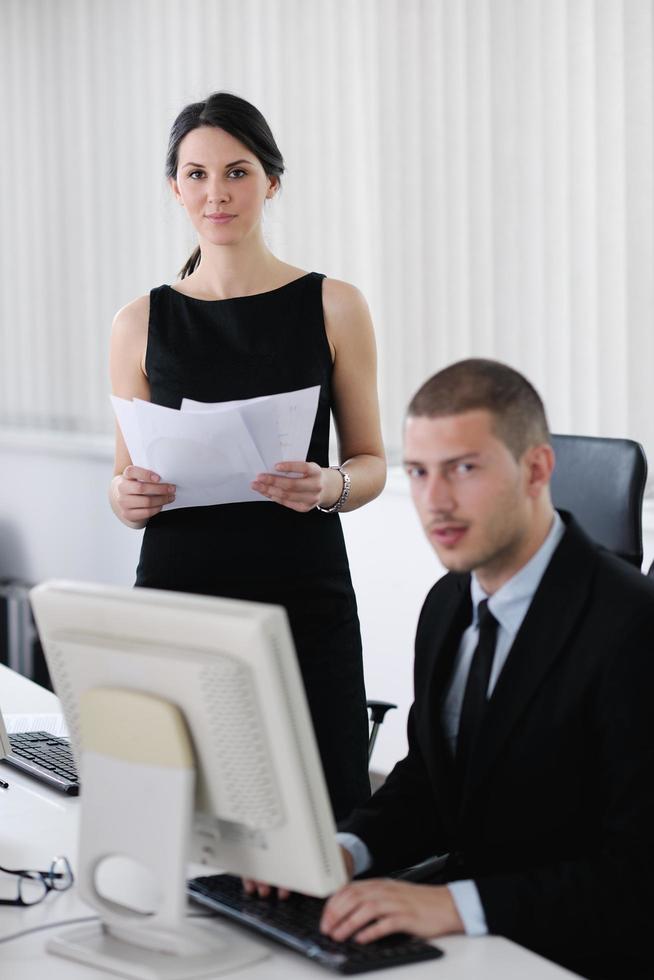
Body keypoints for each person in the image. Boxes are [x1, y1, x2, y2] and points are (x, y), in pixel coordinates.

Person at [318, 358, 654, 979]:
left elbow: (638, 878)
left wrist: (451, 904)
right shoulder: (447, 604)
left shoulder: (631, 627)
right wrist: (342, 852)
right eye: (418, 473)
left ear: (537, 469)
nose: (434, 502)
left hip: (577, 955)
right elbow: (430, 781)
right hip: (466, 945)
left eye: (464, 469)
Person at [109, 92, 386, 821]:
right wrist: (125, 498)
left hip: (304, 603)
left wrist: (329, 484)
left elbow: (371, 463)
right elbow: (122, 482)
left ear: (271, 180)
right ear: (175, 187)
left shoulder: (334, 305)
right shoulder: (139, 322)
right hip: (181, 602)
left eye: (236, 171)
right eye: (197, 175)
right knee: (185, 825)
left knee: (321, 823)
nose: (216, 193)